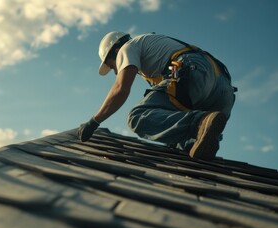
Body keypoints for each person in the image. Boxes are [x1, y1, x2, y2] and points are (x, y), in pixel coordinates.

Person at [77, 31, 236, 159]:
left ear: (116, 51)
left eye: (112, 65)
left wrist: (94, 121)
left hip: (190, 69)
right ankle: (198, 143)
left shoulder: (127, 48)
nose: (116, 71)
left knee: (138, 116)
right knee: (180, 141)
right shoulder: (153, 52)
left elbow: (121, 89)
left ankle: (200, 123)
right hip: (222, 89)